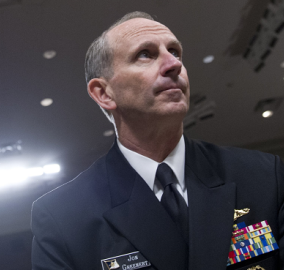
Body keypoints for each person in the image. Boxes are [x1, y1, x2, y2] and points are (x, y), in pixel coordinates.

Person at [31, 11, 284, 270]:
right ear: (104, 93)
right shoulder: (64, 217)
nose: (173, 64)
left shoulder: (263, 176)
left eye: (175, 52)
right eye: (145, 54)